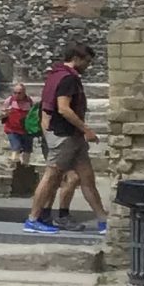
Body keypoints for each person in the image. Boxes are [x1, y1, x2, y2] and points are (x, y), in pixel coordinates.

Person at [24, 42, 108, 234]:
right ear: (76, 58)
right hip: (64, 135)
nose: (88, 66)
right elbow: (63, 108)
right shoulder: (68, 79)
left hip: (71, 136)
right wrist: (86, 129)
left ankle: (103, 219)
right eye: (87, 61)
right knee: (51, 176)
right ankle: (33, 219)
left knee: (86, 177)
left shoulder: (55, 76)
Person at [0, 79, 35, 173]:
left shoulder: (29, 101)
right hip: (12, 129)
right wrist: (5, 113)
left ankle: (25, 168)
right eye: (15, 93)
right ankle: (15, 167)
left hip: (26, 130)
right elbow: (2, 113)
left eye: (19, 93)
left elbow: (33, 115)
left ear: (24, 93)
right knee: (16, 147)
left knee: (27, 149)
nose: (17, 95)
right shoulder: (9, 100)